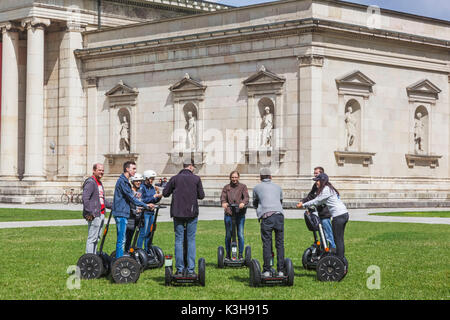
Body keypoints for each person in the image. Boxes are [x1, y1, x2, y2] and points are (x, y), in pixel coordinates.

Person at [163, 159, 205, 277]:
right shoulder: (196, 179)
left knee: (178, 240)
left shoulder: (175, 178)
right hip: (191, 213)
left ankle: (180, 269)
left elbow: (165, 193)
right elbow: (201, 196)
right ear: (191, 166)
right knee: (191, 240)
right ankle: (191, 269)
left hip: (178, 213)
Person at [296, 173, 349, 260]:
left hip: (338, 215)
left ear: (322, 181)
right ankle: (340, 258)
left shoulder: (326, 190)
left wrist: (303, 205)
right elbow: (320, 202)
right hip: (343, 214)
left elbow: (317, 201)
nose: (316, 183)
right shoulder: (329, 188)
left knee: (337, 239)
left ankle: (339, 260)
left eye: (317, 181)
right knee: (339, 239)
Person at [112, 161, 151, 258]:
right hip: (121, 213)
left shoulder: (125, 181)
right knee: (121, 240)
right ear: (127, 169)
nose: (135, 171)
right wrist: (145, 205)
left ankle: (120, 259)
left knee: (123, 240)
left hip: (124, 213)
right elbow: (131, 198)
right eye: (133, 168)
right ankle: (120, 261)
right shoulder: (122, 181)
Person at [252, 167, 285, 277]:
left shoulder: (257, 188)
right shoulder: (278, 187)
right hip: (279, 216)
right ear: (271, 177)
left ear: (260, 178)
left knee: (267, 243)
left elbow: (255, 203)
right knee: (280, 244)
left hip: (267, 217)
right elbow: (280, 201)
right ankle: (281, 270)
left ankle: (267, 270)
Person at [300, 166, 336, 249]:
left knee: (328, 233)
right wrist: (302, 201)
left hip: (325, 213)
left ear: (321, 174)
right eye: (314, 173)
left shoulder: (325, 187)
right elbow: (310, 196)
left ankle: (333, 249)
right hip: (319, 214)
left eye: (317, 173)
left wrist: (305, 204)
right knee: (321, 234)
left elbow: (317, 200)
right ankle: (324, 250)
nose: (315, 175)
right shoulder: (316, 186)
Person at [82, 163, 112, 254]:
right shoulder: (91, 182)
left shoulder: (99, 183)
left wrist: (113, 206)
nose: (101, 172)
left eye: (102, 170)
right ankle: (89, 258)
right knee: (92, 238)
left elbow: (102, 200)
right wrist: (90, 212)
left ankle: (94, 257)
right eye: (99, 170)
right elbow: (85, 198)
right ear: (94, 170)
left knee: (97, 238)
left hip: (101, 214)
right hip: (94, 214)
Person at [220, 171, 249, 260]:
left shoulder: (243, 187)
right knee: (228, 235)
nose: (234, 179)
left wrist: (243, 203)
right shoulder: (226, 187)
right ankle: (228, 255)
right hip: (229, 214)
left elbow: (246, 197)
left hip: (240, 214)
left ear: (238, 177)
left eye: (236, 177)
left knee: (240, 234)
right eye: (232, 177)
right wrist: (224, 203)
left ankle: (240, 255)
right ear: (230, 178)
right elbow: (223, 197)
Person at [137, 170, 163, 251]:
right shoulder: (142, 187)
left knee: (150, 232)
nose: (151, 180)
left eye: (152, 179)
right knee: (143, 233)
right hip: (144, 212)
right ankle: (139, 250)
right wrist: (153, 197)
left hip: (151, 212)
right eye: (150, 179)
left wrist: (158, 197)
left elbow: (154, 201)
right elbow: (142, 200)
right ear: (146, 178)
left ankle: (147, 250)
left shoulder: (152, 187)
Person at [124, 173, 145, 252]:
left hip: (139, 217)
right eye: (136, 181)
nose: (139, 182)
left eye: (140, 181)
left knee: (136, 235)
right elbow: (129, 204)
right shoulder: (130, 192)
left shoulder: (140, 191)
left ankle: (132, 251)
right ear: (132, 182)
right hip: (131, 217)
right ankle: (126, 252)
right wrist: (135, 210)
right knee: (128, 237)